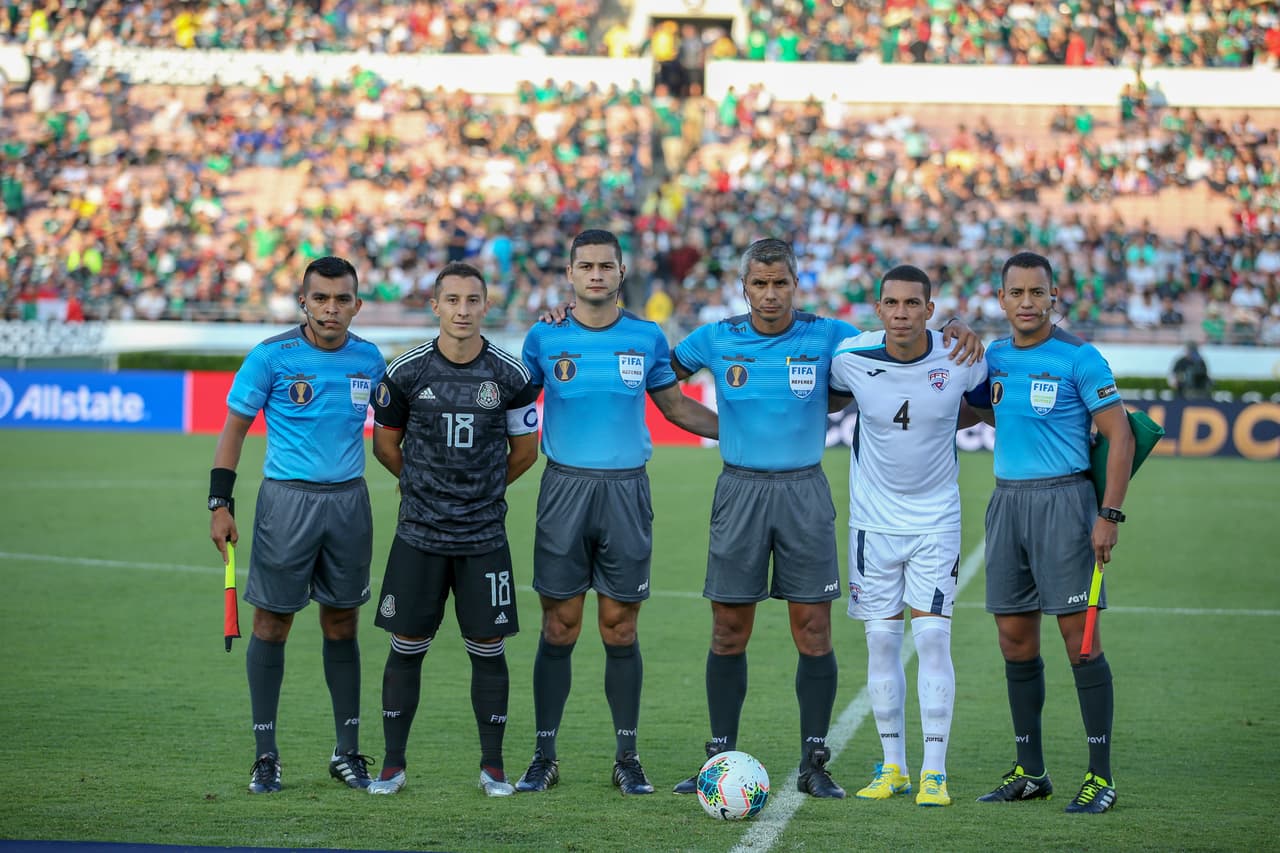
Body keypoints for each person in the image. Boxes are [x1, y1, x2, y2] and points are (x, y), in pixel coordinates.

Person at [668, 239, 983, 799]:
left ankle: (814, 762)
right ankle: (717, 757)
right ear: (744, 288)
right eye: (759, 284)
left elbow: (896, 341)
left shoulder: (833, 336)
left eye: (780, 283)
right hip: (738, 490)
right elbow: (659, 381)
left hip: (804, 492)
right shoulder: (715, 338)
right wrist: (725, 430)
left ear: (796, 285)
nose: (769, 294)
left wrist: (955, 322)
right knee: (728, 629)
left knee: (813, 629)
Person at [514, 229, 719, 795]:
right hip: (564, 490)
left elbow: (674, 406)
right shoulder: (543, 337)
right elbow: (512, 404)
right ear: (571, 273)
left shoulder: (647, 337)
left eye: (607, 265)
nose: (597, 274)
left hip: (627, 491)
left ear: (622, 272)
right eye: (587, 266)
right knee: (559, 625)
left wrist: (737, 432)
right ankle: (543, 755)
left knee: (619, 627)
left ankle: (627, 757)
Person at [208, 255, 387, 794]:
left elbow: (395, 426)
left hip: (349, 504)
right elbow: (235, 429)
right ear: (302, 301)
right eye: (321, 298)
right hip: (286, 504)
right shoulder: (270, 357)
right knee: (272, 625)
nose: (331, 309)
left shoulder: (370, 358)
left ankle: (347, 751)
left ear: (357, 304)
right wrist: (219, 502)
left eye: (342, 299)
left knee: (342, 625)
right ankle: (266, 755)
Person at [363, 263, 541, 797]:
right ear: (436, 306)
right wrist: (423, 489)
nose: (463, 310)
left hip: (484, 537)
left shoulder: (511, 376)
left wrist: (479, 493)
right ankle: (392, 766)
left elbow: (526, 452)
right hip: (419, 535)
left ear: (486, 306)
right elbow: (385, 445)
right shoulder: (404, 372)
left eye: (473, 300)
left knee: (488, 645)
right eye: (453, 300)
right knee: (408, 643)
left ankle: (493, 769)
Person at [971, 251, 1134, 814]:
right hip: (1007, 503)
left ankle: (1101, 777)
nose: (1026, 303)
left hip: (1065, 504)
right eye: (1015, 293)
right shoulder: (993, 356)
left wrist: (1108, 515)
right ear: (1001, 299)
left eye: (1036, 293)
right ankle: (1031, 770)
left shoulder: (1080, 358)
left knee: (1081, 646)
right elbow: (990, 412)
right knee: (1014, 641)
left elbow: (1121, 435)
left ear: (1053, 297)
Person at [828, 265, 990, 808]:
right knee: (880, 643)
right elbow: (818, 391)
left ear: (930, 308)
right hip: (872, 526)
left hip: (935, 522)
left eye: (912, 304)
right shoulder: (849, 357)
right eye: (891, 303)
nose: (901, 313)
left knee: (934, 640)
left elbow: (986, 404)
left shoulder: (961, 357)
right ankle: (894, 765)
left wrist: (966, 327)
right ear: (879, 309)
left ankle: (934, 772)